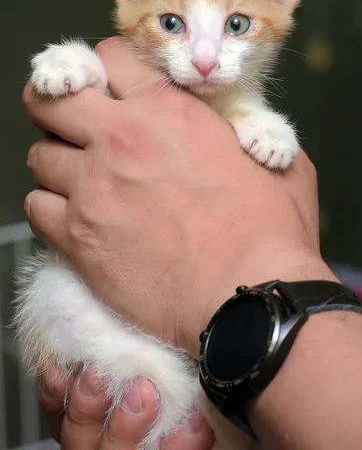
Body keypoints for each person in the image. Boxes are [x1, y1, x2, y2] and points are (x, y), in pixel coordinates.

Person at [23, 37, 362, 450]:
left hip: (194, 394)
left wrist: (244, 280)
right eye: (172, 23)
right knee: (54, 292)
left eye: (236, 26)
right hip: (151, 375)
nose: (205, 59)